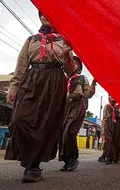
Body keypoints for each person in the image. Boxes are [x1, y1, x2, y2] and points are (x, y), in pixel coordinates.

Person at [4, 12, 76, 182]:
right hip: (31, 79)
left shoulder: (63, 40)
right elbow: (21, 65)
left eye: (49, 14)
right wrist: (13, 87)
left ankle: (33, 166)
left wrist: (66, 54)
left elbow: (70, 70)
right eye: (42, 14)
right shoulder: (31, 40)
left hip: (54, 81)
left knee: (46, 124)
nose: (45, 16)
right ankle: (28, 157)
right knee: (19, 119)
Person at [59, 56, 96, 171]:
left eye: (74, 62)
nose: (72, 63)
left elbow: (88, 94)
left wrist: (93, 84)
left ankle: (73, 158)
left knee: (69, 132)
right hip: (65, 107)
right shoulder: (63, 79)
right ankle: (67, 160)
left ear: (79, 67)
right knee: (62, 134)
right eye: (70, 61)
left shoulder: (82, 79)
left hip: (77, 106)